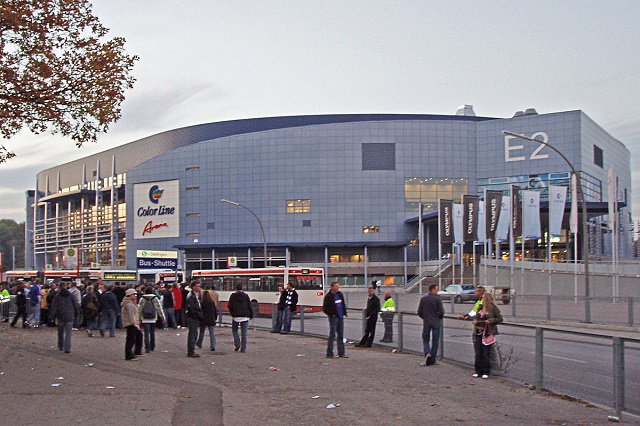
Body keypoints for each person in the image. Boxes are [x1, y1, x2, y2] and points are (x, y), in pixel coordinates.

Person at [471, 292, 503, 379]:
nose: (482, 299)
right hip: (478, 331)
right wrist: (475, 320)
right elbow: (475, 316)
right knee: (478, 353)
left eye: (483, 298)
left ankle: (486, 371)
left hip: (487, 332)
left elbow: (500, 318)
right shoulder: (480, 307)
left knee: (486, 353)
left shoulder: (493, 308)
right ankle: (478, 371)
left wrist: (491, 320)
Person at [417, 284, 444, 366]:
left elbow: (419, 312)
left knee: (425, 339)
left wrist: (424, 318)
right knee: (435, 341)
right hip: (436, 322)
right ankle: (433, 360)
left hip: (426, 322)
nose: (437, 291)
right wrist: (438, 318)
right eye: (436, 289)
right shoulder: (437, 299)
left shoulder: (423, 299)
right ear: (433, 290)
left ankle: (427, 353)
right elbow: (442, 312)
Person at [50, 281, 79, 353]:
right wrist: (77, 313)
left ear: (59, 287)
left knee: (60, 332)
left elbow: (54, 307)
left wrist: (52, 317)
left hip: (60, 315)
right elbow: (76, 305)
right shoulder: (71, 295)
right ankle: (67, 347)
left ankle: (60, 345)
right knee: (68, 333)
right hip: (70, 315)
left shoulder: (57, 296)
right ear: (66, 286)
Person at [322, 281, 348, 359]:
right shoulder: (328, 296)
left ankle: (341, 352)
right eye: (336, 286)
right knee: (332, 335)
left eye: (338, 286)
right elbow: (325, 308)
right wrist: (331, 314)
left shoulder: (340, 294)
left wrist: (344, 312)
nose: (337, 288)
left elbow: (342, 304)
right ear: (332, 287)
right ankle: (329, 353)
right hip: (333, 317)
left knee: (340, 335)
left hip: (340, 317)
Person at [228, 283, 253, 353]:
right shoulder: (246, 296)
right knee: (244, 333)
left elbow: (230, 305)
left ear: (236, 288)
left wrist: (232, 313)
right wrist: (251, 315)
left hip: (235, 316)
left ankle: (237, 344)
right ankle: (243, 348)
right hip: (245, 316)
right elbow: (249, 306)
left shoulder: (233, 296)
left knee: (234, 330)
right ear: (242, 288)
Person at [138, 286, 165, 353]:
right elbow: (159, 308)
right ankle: (152, 347)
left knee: (146, 334)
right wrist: (162, 317)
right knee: (152, 333)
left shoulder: (142, 299)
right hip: (153, 318)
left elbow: (139, 310)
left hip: (144, 318)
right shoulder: (155, 298)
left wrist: (138, 318)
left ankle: (147, 348)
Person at [121, 288, 143, 360]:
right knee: (131, 339)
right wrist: (135, 323)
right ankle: (129, 355)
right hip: (130, 323)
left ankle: (136, 352)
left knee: (137, 336)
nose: (135, 296)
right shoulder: (129, 304)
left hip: (132, 323)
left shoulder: (131, 303)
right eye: (134, 294)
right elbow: (131, 315)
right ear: (130, 295)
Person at [185, 281, 204, 357]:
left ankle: (192, 350)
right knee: (192, 334)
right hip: (192, 317)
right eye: (198, 286)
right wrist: (198, 314)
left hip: (195, 317)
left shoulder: (197, 295)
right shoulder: (191, 296)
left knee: (194, 334)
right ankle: (191, 351)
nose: (199, 288)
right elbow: (191, 308)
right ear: (193, 287)